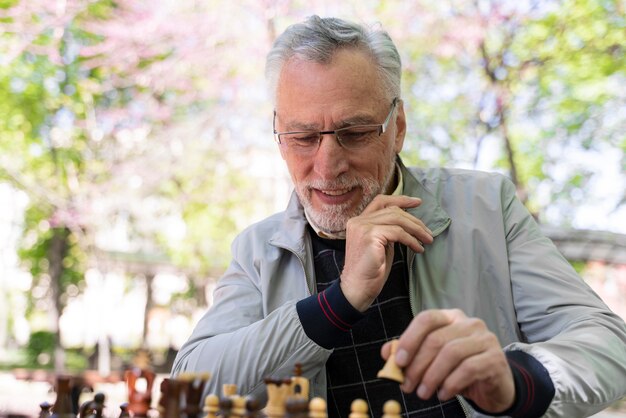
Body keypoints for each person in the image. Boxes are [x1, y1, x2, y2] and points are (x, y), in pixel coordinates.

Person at [172, 15, 626, 417]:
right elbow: (187, 385)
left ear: (399, 127)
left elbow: (610, 346)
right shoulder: (256, 252)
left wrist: (514, 382)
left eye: (355, 132)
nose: (328, 166)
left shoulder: (487, 207)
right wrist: (338, 302)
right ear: (278, 134)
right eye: (303, 136)